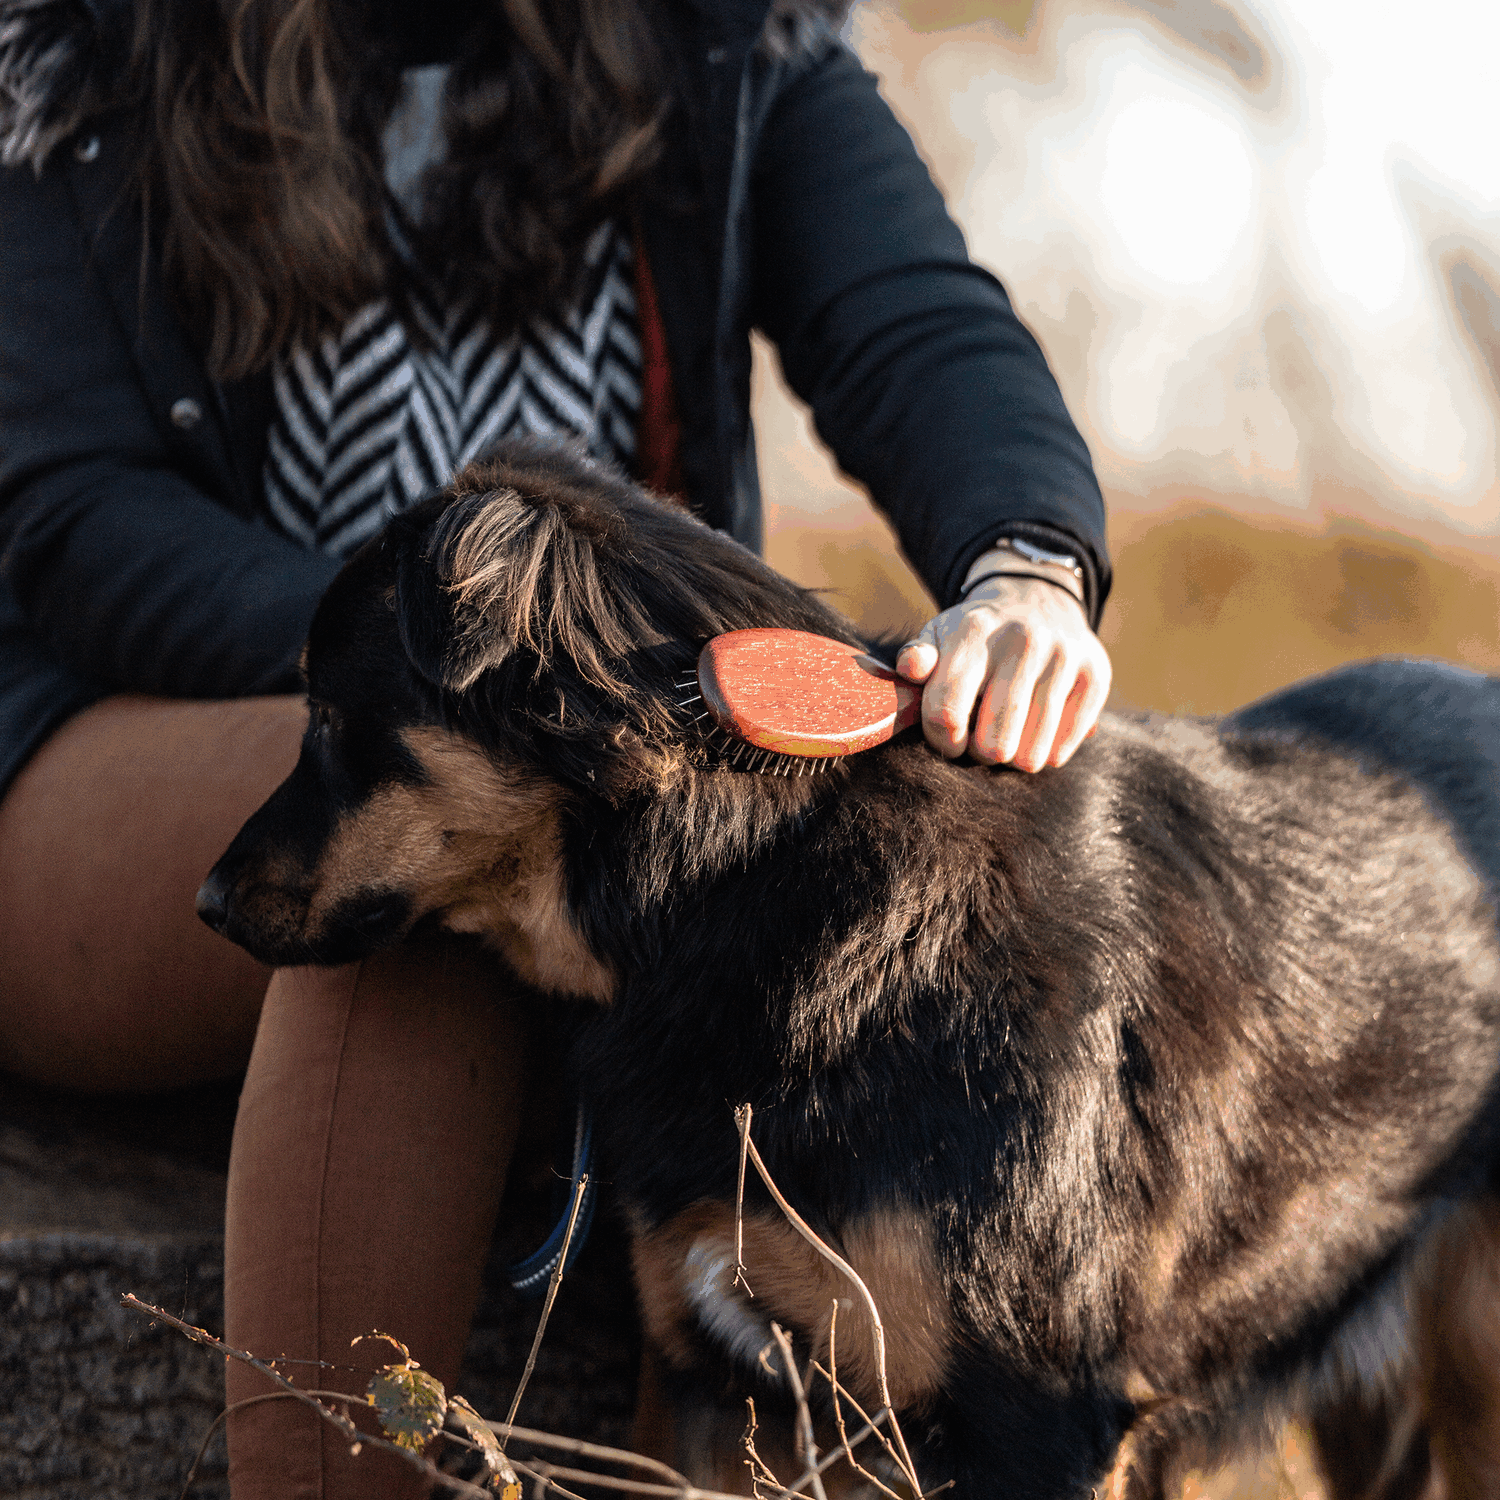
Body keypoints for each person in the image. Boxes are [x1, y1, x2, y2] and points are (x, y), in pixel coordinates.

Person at [0, 0, 1113, 1494]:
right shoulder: (76, 45)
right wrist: (437, 668)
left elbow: (912, 321)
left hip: (602, 781)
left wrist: (1024, 570)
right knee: (437, 825)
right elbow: (70, 513)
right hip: (125, 760)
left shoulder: (729, 40)